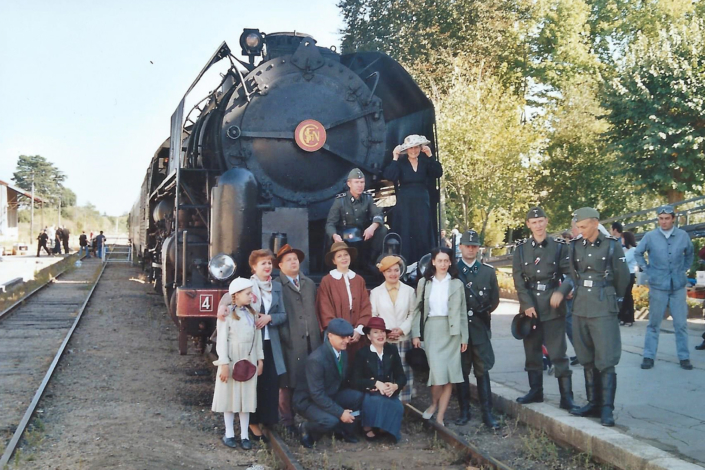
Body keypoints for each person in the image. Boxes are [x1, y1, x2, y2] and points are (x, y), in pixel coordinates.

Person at [568, 207, 630, 427]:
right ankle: (593, 403)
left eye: (583, 226)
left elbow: (622, 279)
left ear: (595, 223)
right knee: (586, 356)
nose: (580, 231)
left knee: (605, 359)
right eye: (578, 227)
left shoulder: (612, 246)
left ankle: (606, 408)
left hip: (603, 306)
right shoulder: (575, 246)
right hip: (581, 306)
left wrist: (613, 301)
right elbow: (574, 274)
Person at [217, 250, 288, 442]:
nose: (267, 267)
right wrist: (221, 309)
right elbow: (227, 300)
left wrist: (270, 317)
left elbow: (283, 314)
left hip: (269, 340)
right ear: (254, 268)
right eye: (263, 263)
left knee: (269, 379)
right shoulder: (247, 286)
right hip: (249, 343)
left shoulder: (277, 287)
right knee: (250, 380)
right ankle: (252, 422)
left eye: (269, 263)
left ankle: (267, 419)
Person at [512, 207, 577, 412]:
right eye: (534, 222)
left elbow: (570, 274)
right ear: (528, 224)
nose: (538, 225)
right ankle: (535, 391)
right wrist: (526, 304)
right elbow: (518, 279)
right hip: (531, 308)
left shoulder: (559, 247)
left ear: (547, 222)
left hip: (553, 306)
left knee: (558, 353)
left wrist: (563, 291)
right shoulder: (521, 250)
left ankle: (566, 397)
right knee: (532, 352)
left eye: (541, 221)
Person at [411, 247, 468, 426]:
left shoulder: (457, 284)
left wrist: (464, 337)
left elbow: (462, 313)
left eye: (446, 261)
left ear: (450, 262)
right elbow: (417, 310)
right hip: (433, 330)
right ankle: (434, 403)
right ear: (433, 262)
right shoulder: (425, 283)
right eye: (439, 260)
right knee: (437, 375)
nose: (443, 264)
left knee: (450, 375)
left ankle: (441, 416)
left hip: (452, 331)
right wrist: (416, 334)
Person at [634, 205, 695, 370]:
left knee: (681, 324)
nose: (664, 222)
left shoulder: (682, 236)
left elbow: (690, 253)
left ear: (673, 219)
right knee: (654, 323)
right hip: (658, 285)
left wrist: (684, 269)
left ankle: (684, 357)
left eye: (667, 218)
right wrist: (647, 269)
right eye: (661, 218)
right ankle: (648, 356)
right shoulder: (650, 236)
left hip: (677, 286)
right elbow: (638, 253)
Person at [293, 318, 365, 448]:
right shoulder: (317, 359)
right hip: (308, 401)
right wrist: (340, 413)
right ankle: (306, 428)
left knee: (357, 397)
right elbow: (317, 395)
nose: (346, 341)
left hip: (329, 393)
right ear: (330, 335)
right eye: (342, 337)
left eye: (348, 337)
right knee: (330, 420)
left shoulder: (343, 353)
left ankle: (343, 431)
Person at [274, 244, 322, 435]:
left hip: (311, 340)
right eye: (289, 260)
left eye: (295, 259)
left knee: (308, 378)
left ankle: (307, 417)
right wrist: (285, 336)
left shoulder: (309, 284)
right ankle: (287, 421)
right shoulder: (277, 285)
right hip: (289, 340)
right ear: (280, 265)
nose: (294, 262)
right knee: (287, 382)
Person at [212, 277, 264, 450]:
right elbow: (222, 341)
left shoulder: (252, 314)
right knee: (230, 397)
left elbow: (257, 340)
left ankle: (243, 435)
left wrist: (260, 359)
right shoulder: (227, 316)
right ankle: (229, 433)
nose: (251, 296)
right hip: (232, 359)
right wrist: (224, 363)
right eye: (248, 293)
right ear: (236, 295)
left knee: (246, 398)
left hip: (248, 360)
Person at [455, 230, 501, 429]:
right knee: (462, 372)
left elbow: (494, 300)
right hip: (461, 330)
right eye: (467, 245)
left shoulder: (487, 272)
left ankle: (487, 413)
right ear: (461, 247)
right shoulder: (453, 271)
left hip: (480, 329)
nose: (471, 249)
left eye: (474, 246)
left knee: (483, 371)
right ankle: (464, 412)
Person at [384, 135, 443, 264]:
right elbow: (389, 175)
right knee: (406, 230)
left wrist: (430, 155)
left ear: (420, 148)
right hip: (405, 202)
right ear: (407, 149)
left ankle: (425, 263)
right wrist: (395, 157)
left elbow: (438, 172)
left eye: (416, 147)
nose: (414, 151)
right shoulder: (400, 163)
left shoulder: (425, 162)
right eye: (411, 148)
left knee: (423, 230)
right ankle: (407, 263)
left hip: (422, 202)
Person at [351, 317, 407, 442]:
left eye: (382, 331)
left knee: (397, 406)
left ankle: (383, 427)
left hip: (387, 391)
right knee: (375, 401)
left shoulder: (392, 350)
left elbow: (401, 377)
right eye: (375, 332)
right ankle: (368, 427)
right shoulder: (362, 353)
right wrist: (375, 383)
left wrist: (395, 386)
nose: (380, 335)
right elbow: (355, 380)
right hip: (370, 391)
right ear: (369, 336)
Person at [369, 255, 416, 403]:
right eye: (389, 271)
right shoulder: (375, 292)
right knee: (386, 372)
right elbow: (373, 315)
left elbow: (412, 313)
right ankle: (387, 403)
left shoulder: (409, 291)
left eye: (396, 270)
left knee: (403, 371)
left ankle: (404, 404)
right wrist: (387, 331)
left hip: (403, 339)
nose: (393, 274)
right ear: (383, 273)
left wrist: (402, 329)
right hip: (384, 340)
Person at [316, 241, 372, 364]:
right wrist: (343, 334)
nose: (343, 258)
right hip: (337, 337)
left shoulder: (358, 280)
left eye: (346, 255)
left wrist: (358, 330)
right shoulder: (327, 281)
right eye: (339, 256)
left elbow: (366, 307)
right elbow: (325, 310)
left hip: (358, 336)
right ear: (334, 261)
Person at [325, 168, 387, 271]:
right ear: (349, 184)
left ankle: (371, 261)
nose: (360, 185)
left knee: (382, 229)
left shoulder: (368, 198)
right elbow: (330, 223)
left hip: (363, 233)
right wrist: (334, 235)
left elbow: (378, 214)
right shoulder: (340, 200)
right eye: (356, 182)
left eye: (362, 182)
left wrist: (373, 226)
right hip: (345, 234)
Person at [619, 231, 638, 326]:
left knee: (627, 295)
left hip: (629, 274)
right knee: (623, 296)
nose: (621, 240)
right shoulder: (623, 250)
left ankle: (629, 318)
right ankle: (623, 317)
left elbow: (624, 261)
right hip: (622, 274)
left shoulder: (633, 250)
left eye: (622, 238)